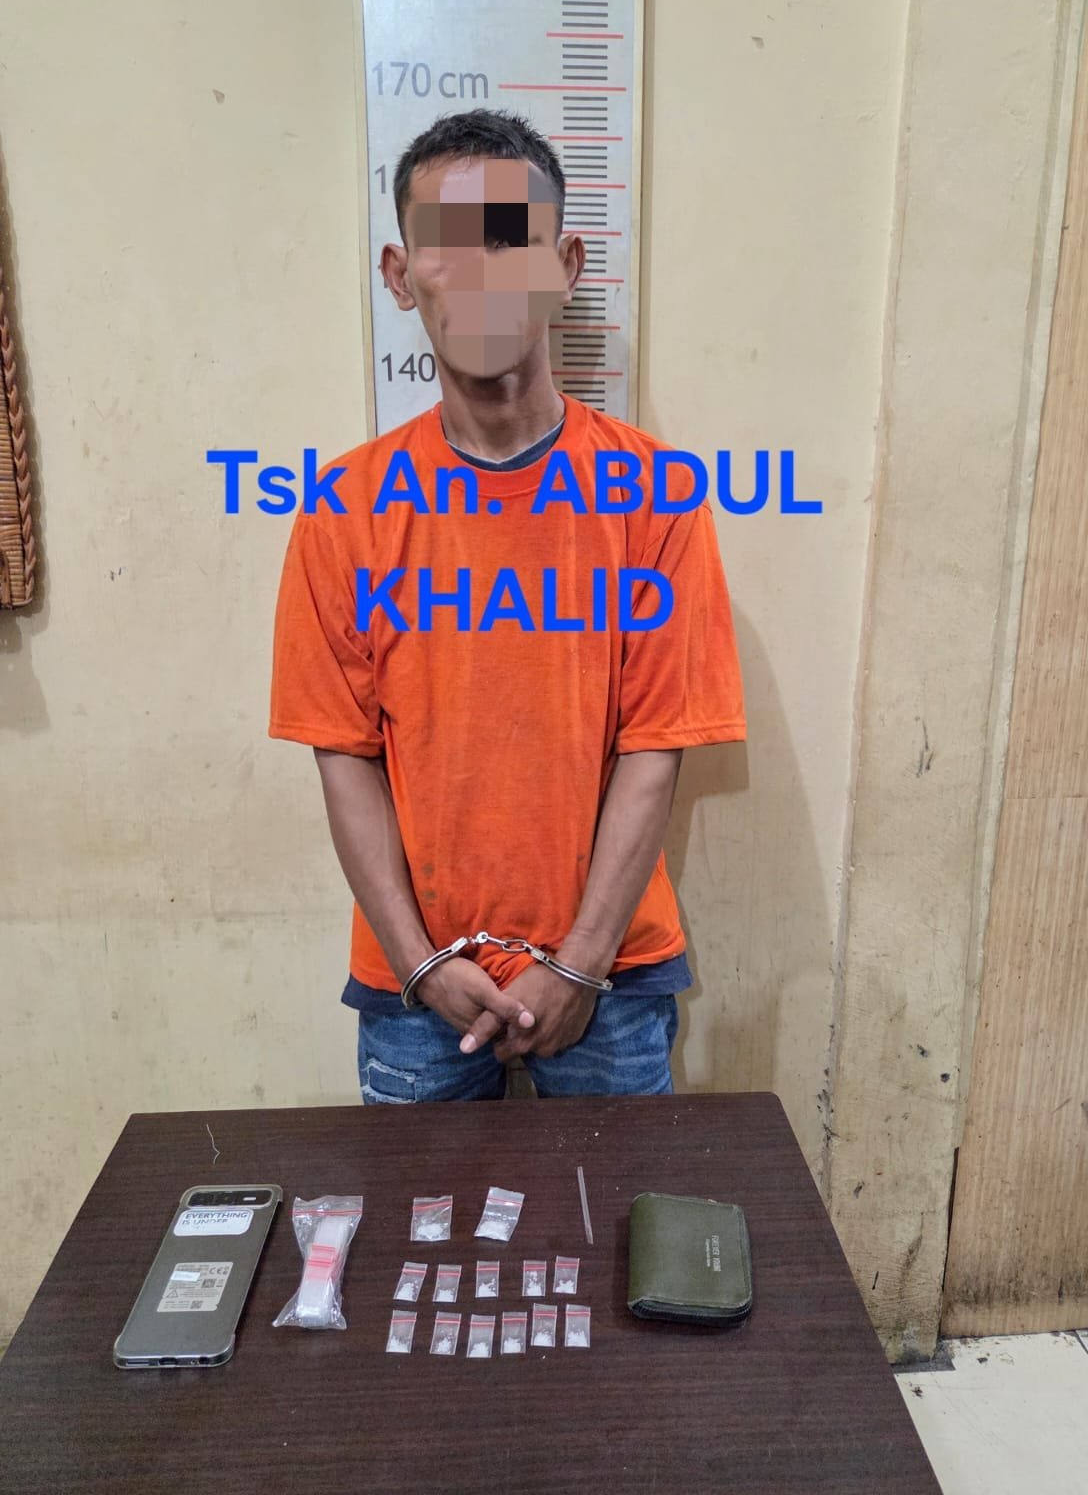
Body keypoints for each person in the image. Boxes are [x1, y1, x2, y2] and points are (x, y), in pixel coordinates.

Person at [269, 108, 745, 1102]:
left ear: (563, 266)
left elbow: (655, 749)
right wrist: (421, 965)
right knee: (419, 1213)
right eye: (448, 247)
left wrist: (578, 964)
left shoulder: (657, 496)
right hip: (414, 990)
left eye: (510, 243)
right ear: (401, 275)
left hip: (611, 978)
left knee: (618, 1209)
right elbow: (344, 756)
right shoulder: (343, 510)